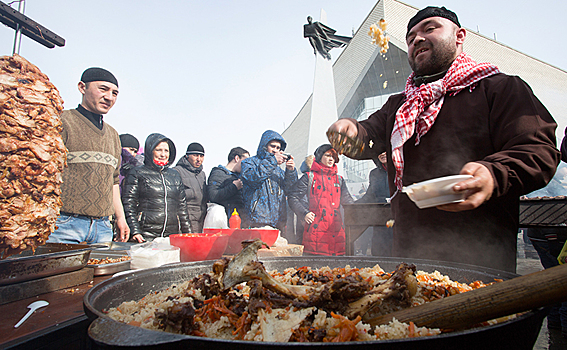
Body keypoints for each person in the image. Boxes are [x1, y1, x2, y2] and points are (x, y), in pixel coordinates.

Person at [326, 6, 560, 272]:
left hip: (481, 261)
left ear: (459, 36)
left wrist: (493, 174)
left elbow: (538, 150)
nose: (417, 39)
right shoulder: (398, 105)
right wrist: (350, 131)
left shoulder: (499, 88)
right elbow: (367, 135)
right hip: (409, 262)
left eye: (430, 29)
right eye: (410, 36)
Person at [48, 67, 130, 244]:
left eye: (115, 93)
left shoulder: (113, 135)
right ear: (82, 87)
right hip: (64, 224)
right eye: (103, 89)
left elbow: (114, 181)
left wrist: (120, 218)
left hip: (103, 227)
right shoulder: (62, 121)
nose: (109, 97)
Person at [122, 133, 190, 242]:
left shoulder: (175, 175)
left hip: (170, 234)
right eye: (158, 150)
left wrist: (188, 235)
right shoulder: (138, 172)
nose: (163, 154)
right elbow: (129, 204)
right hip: (145, 234)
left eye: (166, 151)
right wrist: (135, 230)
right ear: (150, 151)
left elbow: (182, 208)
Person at [288, 144, 353, 256]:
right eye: (327, 155)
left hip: (337, 233)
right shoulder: (309, 177)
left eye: (333, 156)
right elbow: (292, 197)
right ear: (319, 157)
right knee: (314, 270)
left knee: (337, 271)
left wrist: (362, 208)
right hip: (315, 235)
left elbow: (348, 202)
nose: (331, 159)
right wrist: (304, 213)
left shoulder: (339, 180)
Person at [240, 130, 298, 231]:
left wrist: (291, 171)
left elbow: (290, 190)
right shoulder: (249, 163)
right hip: (256, 221)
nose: (275, 150)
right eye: (272, 146)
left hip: (278, 222)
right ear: (264, 145)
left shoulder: (279, 170)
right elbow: (253, 179)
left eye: (278, 148)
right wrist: (273, 161)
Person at [356, 152, 393, 257]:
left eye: (385, 151)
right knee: (379, 251)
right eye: (379, 152)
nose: (382, 154)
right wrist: (354, 204)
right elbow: (370, 195)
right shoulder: (374, 173)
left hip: (397, 217)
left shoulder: (400, 169)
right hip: (379, 218)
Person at [207, 147, 250, 226]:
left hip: (239, 221)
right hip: (224, 222)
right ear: (237, 158)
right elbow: (213, 195)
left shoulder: (241, 177)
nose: (247, 165)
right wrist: (234, 187)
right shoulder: (218, 173)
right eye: (246, 161)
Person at [175, 142, 208, 233]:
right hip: (186, 219)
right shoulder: (177, 172)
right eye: (195, 155)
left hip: (201, 218)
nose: (199, 159)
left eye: (201, 156)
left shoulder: (202, 174)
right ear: (187, 156)